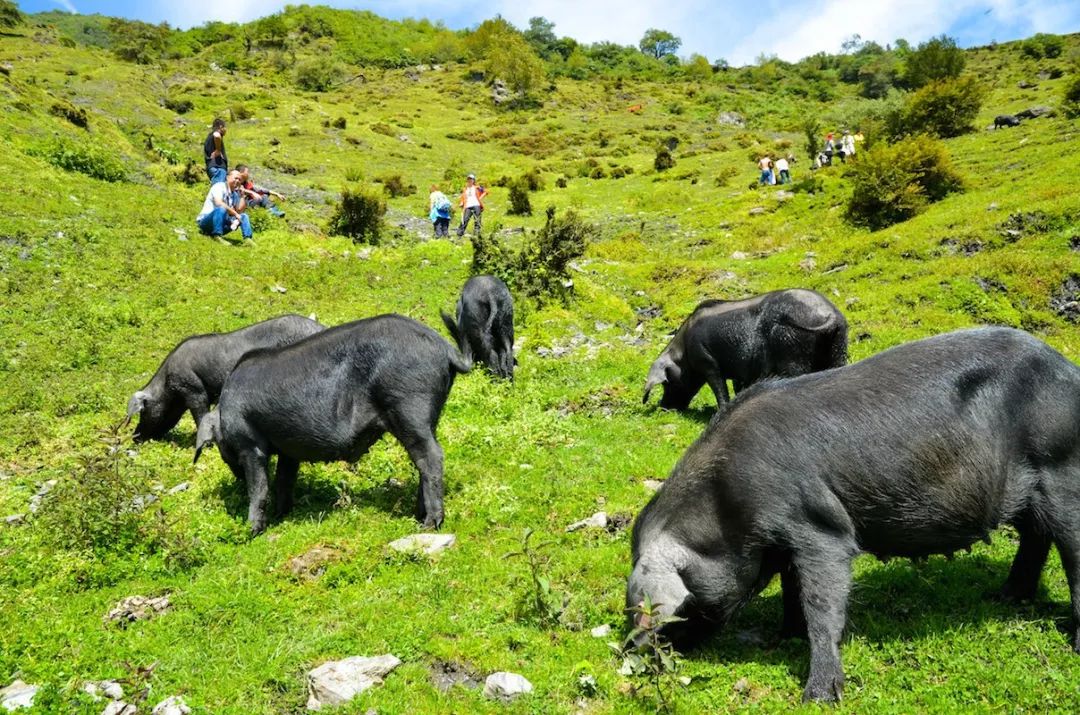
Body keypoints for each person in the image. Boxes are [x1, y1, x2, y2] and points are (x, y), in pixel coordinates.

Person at [196, 169, 252, 241]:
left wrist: (242, 196)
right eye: (235, 178)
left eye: (239, 180)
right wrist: (235, 213)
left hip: (222, 223)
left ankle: (248, 239)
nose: (237, 181)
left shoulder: (234, 194)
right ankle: (217, 235)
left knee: (244, 216)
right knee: (221, 208)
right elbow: (218, 203)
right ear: (227, 177)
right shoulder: (219, 186)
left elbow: (239, 211)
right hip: (206, 222)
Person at [204, 118, 228, 183]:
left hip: (211, 167)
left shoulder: (209, 137)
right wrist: (218, 150)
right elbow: (217, 136)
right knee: (219, 189)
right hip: (218, 167)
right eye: (225, 127)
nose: (226, 130)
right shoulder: (216, 134)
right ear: (220, 126)